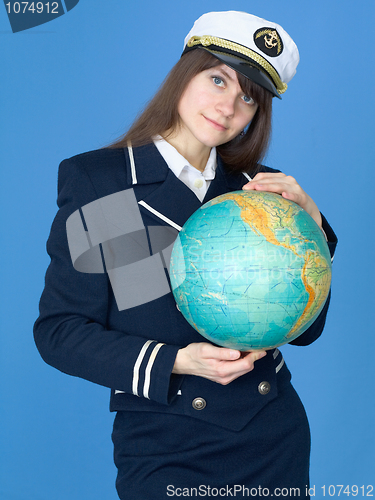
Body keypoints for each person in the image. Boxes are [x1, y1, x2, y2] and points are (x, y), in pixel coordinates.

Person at [34, 11, 337, 500]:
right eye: (217, 79)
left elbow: (306, 332)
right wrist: (176, 361)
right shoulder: (107, 183)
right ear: (184, 73)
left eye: (248, 98)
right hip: (165, 447)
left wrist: (316, 229)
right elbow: (60, 332)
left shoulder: (259, 194)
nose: (229, 107)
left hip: (271, 433)